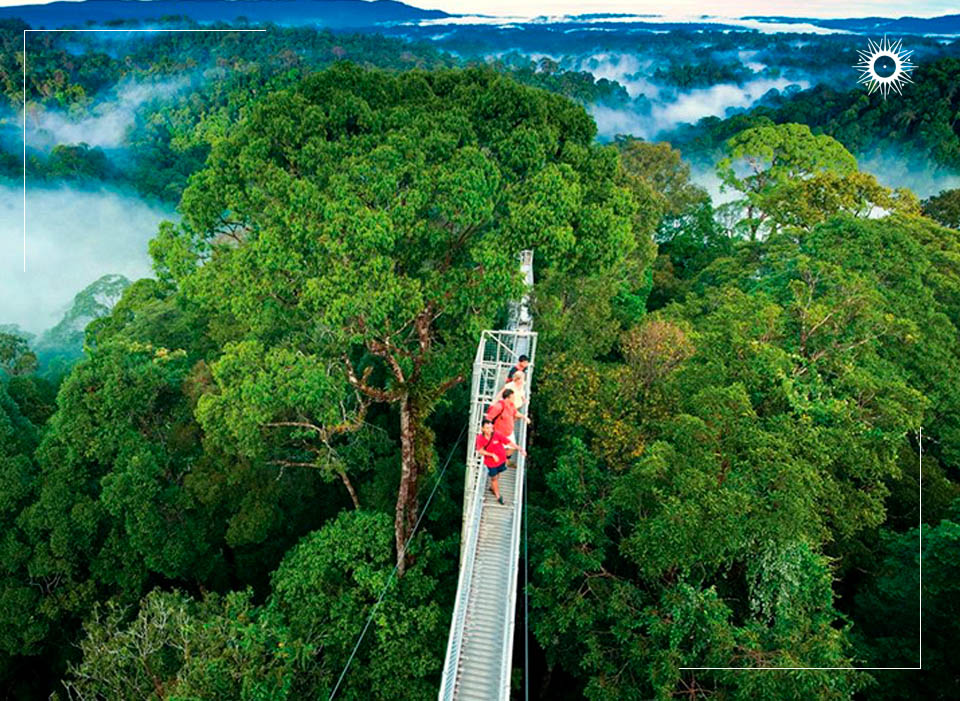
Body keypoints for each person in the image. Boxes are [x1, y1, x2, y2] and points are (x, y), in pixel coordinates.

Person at [475, 418, 525, 505]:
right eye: (487, 428)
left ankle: (492, 487)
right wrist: (492, 455)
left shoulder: (496, 434)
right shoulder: (480, 438)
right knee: (494, 478)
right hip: (491, 463)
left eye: (490, 428)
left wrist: (520, 449)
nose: (489, 430)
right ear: (482, 429)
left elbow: (508, 442)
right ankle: (498, 496)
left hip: (501, 460)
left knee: (498, 475)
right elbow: (480, 450)